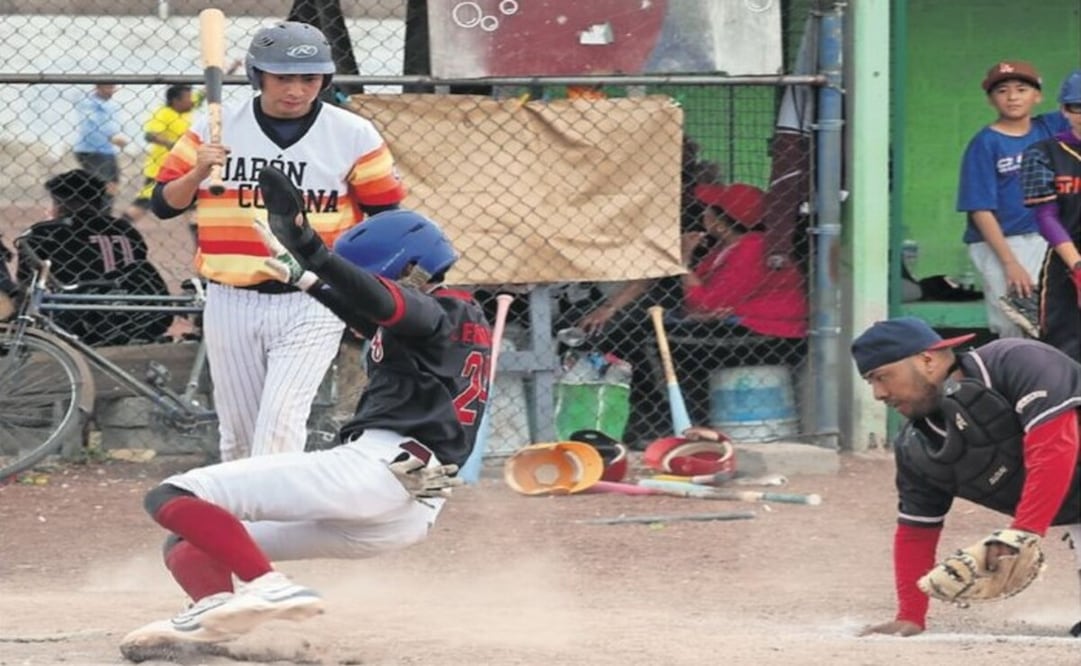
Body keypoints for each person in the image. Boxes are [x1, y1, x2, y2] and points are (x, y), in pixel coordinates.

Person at [118, 166, 489, 659]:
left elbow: (384, 301)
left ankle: (267, 585)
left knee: (175, 494)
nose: (366, 288)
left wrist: (308, 245)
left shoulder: (430, 309)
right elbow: (367, 315)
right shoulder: (457, 316)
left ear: (410, 270)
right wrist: (309, 279)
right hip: (419, 497)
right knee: (191, 539)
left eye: (372, 278)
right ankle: (216, 615)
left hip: (379, 469)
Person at [151, 21, 406, 461]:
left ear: (324, 80)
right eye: (282, 77)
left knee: (281, 423)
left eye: (309, 78)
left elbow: (386, 214)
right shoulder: (214, 126)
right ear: (257, 76)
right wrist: (197, 172)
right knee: (239, 437)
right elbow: (163, 204)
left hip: (314, 296)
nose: (296, 89)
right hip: (231, 296)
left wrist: (364, 287)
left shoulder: (352, 134)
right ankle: (245, 524)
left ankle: (279, 525)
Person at [850, 316, 1081, 638]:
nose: (878, 393)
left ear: (927, 360)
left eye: (882, 376)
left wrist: (1023, 532)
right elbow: (916, 530)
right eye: (870, 382)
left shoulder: (1017, 361)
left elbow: (1055, 447)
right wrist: (910, 614)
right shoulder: (918, 447)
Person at [577, 182, 808, 436]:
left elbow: (705, 302)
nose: (703, 213)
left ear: (720, 222)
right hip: (741, 324)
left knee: (648, 341)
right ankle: (672, 418)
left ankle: (666, 423)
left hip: (769, 335)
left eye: (709, 209)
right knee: (635, 333)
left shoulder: (752, 247)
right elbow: (702, 304)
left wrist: (684, 261)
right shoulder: (727, 248)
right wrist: (700, 311)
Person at [956, 61, 1070, 338]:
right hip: (1001, 243)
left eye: (1022, 89)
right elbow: (980, 210)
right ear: (991, 100)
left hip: (1044, 238)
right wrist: (1010, 263)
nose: (1013, 97)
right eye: (1002, 91)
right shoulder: (985, 143)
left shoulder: (1048, 127)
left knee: (1047, 317)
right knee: (1012, 322)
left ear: (1038, 96)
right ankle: (1012, 377)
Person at [14, 169, 172, 346]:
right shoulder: (124, 229)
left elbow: (26, 283)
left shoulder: (44, 233)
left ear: (58, 204)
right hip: (140, 316)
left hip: (78, 321)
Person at [125, 63, 243, 224]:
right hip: (160, 170)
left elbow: (205, 93)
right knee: (142, 205)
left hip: (186, 169)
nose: (191, 100)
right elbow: (150, 135)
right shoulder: (163, 113)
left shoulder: (186, 110)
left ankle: (200, 244)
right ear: (176, 100)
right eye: (187, 97)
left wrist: (231, 70)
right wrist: (175, 144)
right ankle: (117, 229)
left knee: (194, 210)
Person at [1021, 68, 1081, 363]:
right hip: (1066, 261)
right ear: (1064, 110)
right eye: (1077, 106)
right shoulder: (1042, 152)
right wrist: (1077, 266)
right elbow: (1046, 216)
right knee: (1065, 351)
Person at [73, 83, 128, 211]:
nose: (111, 91)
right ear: (98, 87)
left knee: (113, 182)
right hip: (90, 149)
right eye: (108, 87)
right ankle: (94, 213)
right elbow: (89, 127)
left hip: (107, 150)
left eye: (113, 87)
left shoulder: (110, 105)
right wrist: (111, 136)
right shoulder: (89, 104)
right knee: (100, 184)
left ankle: (104, 213)